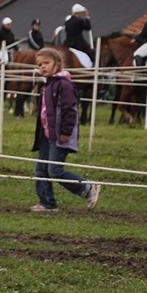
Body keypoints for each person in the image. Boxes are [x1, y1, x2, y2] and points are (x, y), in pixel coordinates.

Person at [30, 47, 100, 213]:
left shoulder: (64, 85)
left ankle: (87, 188)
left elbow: (70, 111)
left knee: (54, 171)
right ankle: (47, 203)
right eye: (40, 64)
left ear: (58, 64)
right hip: (46, 135)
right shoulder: (47, 85)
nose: (43, 67)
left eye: (46, 63)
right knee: (41, 169)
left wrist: (65, 133)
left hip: (60, 135)